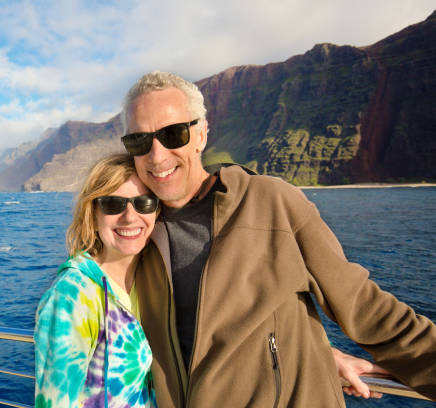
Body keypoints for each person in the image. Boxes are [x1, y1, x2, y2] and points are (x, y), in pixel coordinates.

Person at [121, 71, 436, 407]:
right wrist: (321, 351)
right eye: (140, 140)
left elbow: (365, 307)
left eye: (173, 134)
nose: (156, 155)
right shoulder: (133, 234)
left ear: (200, 135)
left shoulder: (271, 202)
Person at [34, 154, 159, 408]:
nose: (130, 216)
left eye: (143, 203)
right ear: (93, 214)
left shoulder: (151, 280)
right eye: (113, 204)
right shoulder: (72, 297)